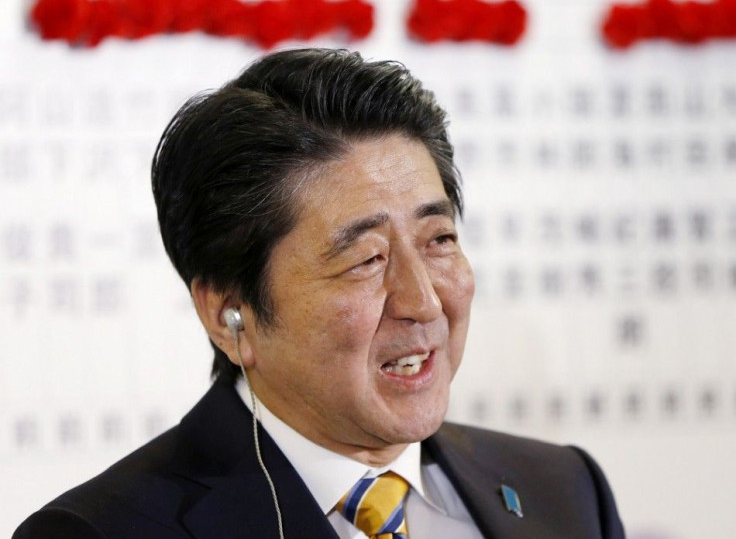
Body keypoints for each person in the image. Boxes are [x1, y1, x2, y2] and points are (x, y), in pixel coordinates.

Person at [14, 48, 625, 539]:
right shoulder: (103, 531)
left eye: (439, 239)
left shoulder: (564, 490)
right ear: (230, 313)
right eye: (367, 259)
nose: (424, 301)